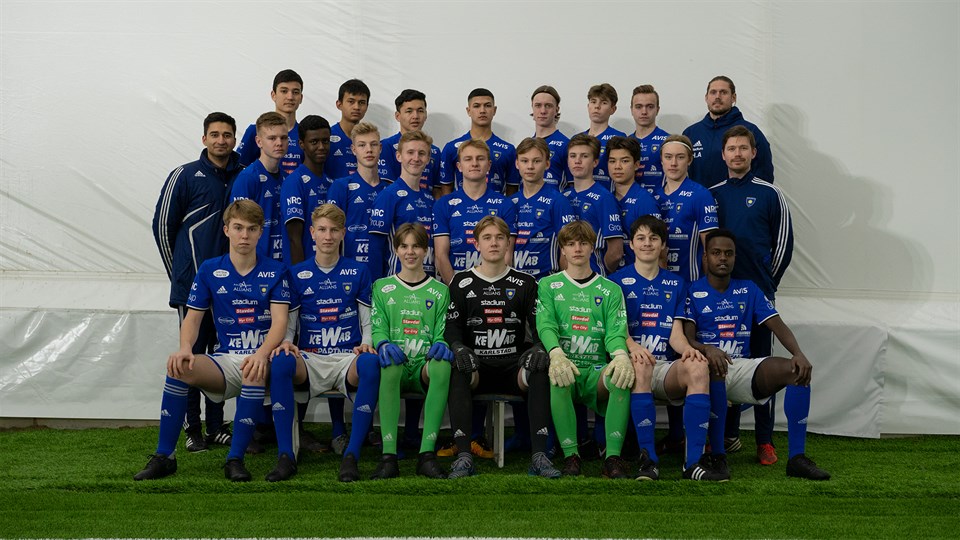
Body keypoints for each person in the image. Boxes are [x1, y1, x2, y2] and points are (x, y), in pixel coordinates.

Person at [134, 200, 290, 482]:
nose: (244, 235)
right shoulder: (209, 270)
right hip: (226, 359)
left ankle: (235, 459)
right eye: (238, 228)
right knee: (179, 368)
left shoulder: (276, 271)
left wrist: (261, 353)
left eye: (251, 229)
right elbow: (193, 319)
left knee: (252, 371)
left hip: (263, 360)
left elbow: (280, 322)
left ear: (260, 232)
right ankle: (165, 456)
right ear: (227, 229)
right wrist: (185, 348)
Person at [680, 229, 830, 481]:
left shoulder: (748, 289)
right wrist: (707, 349)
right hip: (704, 370)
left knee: (796, 371)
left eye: (728, 253)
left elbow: (777, 325)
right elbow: (687, 339)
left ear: (735, 257)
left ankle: (797, 458)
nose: (722, 258)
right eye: (716, 253)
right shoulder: (691, 291)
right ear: (705, 257)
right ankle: (718, 455)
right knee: (714, 367)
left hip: (741, 367)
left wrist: (798, 353)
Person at [267, 204, 381, 482]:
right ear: (312, 233)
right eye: (322, 230)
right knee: (280, 361)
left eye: (333, 230)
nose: (328, 236)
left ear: (343, 233)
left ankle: (352, 455)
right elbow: (290, 323)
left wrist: (367, 343)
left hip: (346, 358)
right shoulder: (296, 273)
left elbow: (367, 322)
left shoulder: (358, 271)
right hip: (311, 359)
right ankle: (286, 456)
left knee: (370, 363)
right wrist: (286, 342)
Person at [444, 216, 562, 479]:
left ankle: (539, 455)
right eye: (487, 238)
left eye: (500, 238)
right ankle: (463, 456)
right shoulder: (461, 282)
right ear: (476, 244)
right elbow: (452, 327)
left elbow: (540, 325)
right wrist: (458, 347)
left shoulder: (526, 282)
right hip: (477, 367)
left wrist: (539, 347)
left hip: (513, 367)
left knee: (540, 366)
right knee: (456, 367)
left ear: (509, 243)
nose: (494, 243)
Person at [152, 112, 242, 452]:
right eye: (215, 134)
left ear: (234, 139)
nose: (221, 140)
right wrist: (180, 275)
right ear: (204, 138)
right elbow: (162, 227)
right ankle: (193, 428)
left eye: (227, 135)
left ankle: (216, 426)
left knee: (221, 356)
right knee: (190, 354)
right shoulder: (185, 175)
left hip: (230, 289)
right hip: (192, 288)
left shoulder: (243, 174)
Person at [610, 215, 720, 481]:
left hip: (665, 367)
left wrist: (687, 350)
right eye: (640, 238)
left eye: (653, 238)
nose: (647, 243)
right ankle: (648, 459)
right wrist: (632, 347)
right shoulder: (615, 282)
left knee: (698, 366)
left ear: (662, 246)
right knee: (641, 363)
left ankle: (693, 463)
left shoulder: (677, 283)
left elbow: (675, 334)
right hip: (631, 364)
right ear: (631, 245)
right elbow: (615, 331)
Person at [711, 125, 795, 465]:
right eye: (731, 148)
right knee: (727, 362)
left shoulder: (770, 194)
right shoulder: (712, 195)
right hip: (720, 297)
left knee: (763, 366)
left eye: (743, 148)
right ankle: (728, 435)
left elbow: (783, 245)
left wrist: (765, 284)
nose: (737, 154)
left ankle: (764, 440)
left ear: (753, 153)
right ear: (723, 155)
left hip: (758, 297)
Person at [536, 220, 634, 479]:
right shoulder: (548, 285)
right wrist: (556, 353)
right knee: (557, 375)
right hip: (567, 365)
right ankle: (571, 457)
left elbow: (615, 333)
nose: (577, 249)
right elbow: (545, 325)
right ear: (562, 250)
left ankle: (612, 458)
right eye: (570, 244)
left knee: (621, 377)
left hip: (595, 372)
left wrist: (620, 355)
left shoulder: (610, 290)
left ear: (593, 247)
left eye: (583, 243)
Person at [369, 223, 454, 479]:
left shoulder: (440, 291)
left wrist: (442, 343)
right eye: (404, 246)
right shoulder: (382, 287)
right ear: (396, 250)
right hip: (397, 363)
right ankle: (389, 457)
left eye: (416, 246)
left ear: (426, 250)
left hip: (422, 366)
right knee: (388, 363)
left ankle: (426, 455)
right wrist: (383, 344)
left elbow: (442, 332)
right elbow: (377, 328)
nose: (410, 252)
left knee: (442, 365)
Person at [433, 139, 517, 285]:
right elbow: (441, 256)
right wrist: (456, 289)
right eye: (468, 159)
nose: (474, 164)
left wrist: (491, 289)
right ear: (459, 166)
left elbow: (507, 254)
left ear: (489, 165)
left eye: (480, 158)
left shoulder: (505, 204)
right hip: (455, 286)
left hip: (494, 287)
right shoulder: (443, 204)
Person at [327, 122, 393, 282]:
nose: (369, 150)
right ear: (353, 149)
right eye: (362, 145)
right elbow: (329, 235)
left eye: (373, 144)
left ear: (380, 148)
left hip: (385, 277)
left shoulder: (391, 190)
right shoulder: (341, 187)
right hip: (348, 276)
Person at [682, 75, 774, 187]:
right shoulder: (691, 133)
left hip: (737, 198)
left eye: (723, 92)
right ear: (706, 97)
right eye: (713, 92)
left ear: (733, 97)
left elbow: (764, 176)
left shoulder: (751, 131)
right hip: (699, 198)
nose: (717, 97)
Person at [369, 130, 437, 278]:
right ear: (399, 156)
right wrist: (375, 286)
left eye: (421, 153)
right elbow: (375, 247)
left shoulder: (430, 199)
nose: (416, 158)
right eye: (410, 152)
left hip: (426, 281)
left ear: (428, 159)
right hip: (396, 283)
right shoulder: (388, 196)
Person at [653, 134, 719, 282]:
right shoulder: (653, 196)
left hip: (691, 284)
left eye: (680, 157)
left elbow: (711, 248)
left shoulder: (701, 195)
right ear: (661, 160)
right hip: (661, 285)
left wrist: (708, 287)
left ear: (689, 160)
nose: (673, 163)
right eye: (668, 157)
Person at [510, 137, 576, 278]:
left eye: (536, 161)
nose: (530, 166)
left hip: (547, 280)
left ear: (547, 164)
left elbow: (568, 248)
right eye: (524, 161)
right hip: (516, 281)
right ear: (517, 163)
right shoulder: (510, 202)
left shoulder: (558, 201)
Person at [230, 112, 289, 262]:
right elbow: (236, 227)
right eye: (272, 138)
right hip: (256, 264)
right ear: (259, 141)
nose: (279, 143)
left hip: (282, 263)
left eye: (283, 138)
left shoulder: (287, 178)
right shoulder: (247, 178)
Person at [562, 134, 623, 276]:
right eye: (573, 156)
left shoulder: (604, 198)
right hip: (568, 278)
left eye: (584, 156)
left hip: (594, 278)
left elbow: (616, 252)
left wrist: (601, 274)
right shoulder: (562, 197)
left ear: (595, 162)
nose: (577, 161)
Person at [438, 88, 519, 196]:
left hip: (496, 206)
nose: (482, 110)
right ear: (468, 111)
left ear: (494, 110)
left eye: (487, 105)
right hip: (462, 206)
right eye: (476, 106)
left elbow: (512, 190)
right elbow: (446, 188)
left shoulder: (508, 150)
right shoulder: (451, 148)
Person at [280, 115, 332, 266]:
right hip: (305, 271)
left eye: (325, 141)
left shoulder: (331, 182)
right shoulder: (294, 182)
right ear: (302, 144)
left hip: (328, 269)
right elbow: (294, 238)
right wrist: (302, 274)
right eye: (314, 142)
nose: (321, 147)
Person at [605, 136, 660, 268]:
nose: (617, 167)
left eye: (624, 161)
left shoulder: (645, 201)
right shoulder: (604, 198)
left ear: (636, 165)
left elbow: (658, 251)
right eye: (612, 161)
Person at [237, 69, 304, 175]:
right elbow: (239, 168)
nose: (290, 97)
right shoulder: (255, 130)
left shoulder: (305, 133)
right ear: (273, 95)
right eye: (284, 91)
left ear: (301, 98)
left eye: (295, 92)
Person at [380, 89, 443, 197]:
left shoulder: (435, 151)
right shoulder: (385, 146)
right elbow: (385, 187)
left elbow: (437, 190)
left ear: (425, 115)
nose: (415, 116)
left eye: (420, 111)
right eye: (409, 111)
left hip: (427, 206)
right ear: (398, 116)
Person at [582, 83, 626, 192]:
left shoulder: (619, 137)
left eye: (604, 102)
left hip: (609, 196)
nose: (597, 106)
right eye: (593, 102)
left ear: (613, 109)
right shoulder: (577, 139)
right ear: (588, 106)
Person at [324, 79, 371, 180]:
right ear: (339, 104)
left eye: (361, 102)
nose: (356, 107)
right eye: (351, 101)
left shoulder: (371, 141)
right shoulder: (326, 137)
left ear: (367, 106)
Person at [628, 85, 670, 193]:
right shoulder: (626, 142)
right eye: (638, 107)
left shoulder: (668, 141)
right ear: (631, 110)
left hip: (660, 201)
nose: (644, 112)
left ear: (657, 110)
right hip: (629, 201)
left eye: (650, 107)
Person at [530, 85, 569, 188]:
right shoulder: (525, 146)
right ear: (532, 108)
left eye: (548, 106)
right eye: (538, 105)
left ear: (556, 109)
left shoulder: (567, 145)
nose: (543, 111)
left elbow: (574, 186)